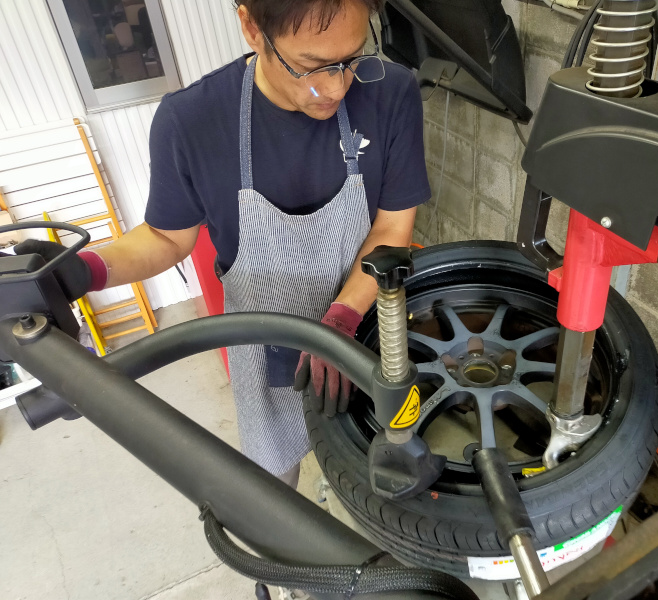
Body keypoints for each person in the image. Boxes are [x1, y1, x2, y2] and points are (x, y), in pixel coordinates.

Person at [16, 0, 429, 491]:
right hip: (261, 341)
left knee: (382, 473)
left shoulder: (389, 92)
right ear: (251, 26)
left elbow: (391, 229)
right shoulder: (192, 121)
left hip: (368, 330)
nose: (338, 87)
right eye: (312, 66)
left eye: (351, 59)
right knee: (274, 492)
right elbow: (167, 236)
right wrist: (84, 270)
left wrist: (342, 318)